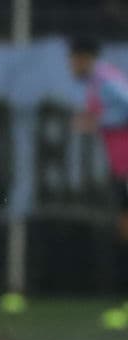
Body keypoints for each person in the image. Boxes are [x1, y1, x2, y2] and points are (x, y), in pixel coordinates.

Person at [68, 36, 128, 289]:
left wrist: (95, 121)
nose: (71, 67)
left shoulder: (104, 78)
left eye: (72, 61)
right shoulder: (98, 80)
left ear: (83, 58)